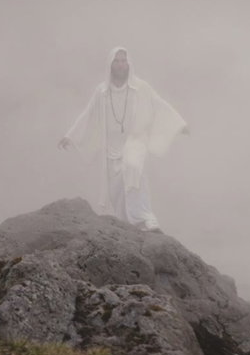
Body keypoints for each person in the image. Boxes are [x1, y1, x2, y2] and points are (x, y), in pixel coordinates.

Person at [58, 47, 189, 231]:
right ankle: (128, 225)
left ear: (129, 64)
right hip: (111, 148)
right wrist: (70, 136)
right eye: (117, 61)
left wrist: (178, 124)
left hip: (135, 142)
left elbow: (158, 104)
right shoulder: (102, 91)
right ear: (110, 65)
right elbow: (88, 114)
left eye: (123, 61)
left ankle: (146, 218)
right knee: (117, 190)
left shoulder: (141, 88)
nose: (121, 65)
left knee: (134, 168)